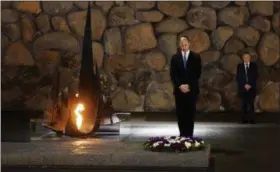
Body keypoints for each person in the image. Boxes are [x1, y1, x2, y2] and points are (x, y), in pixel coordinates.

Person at [170, 36, 202, 137]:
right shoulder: (175, 58)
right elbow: (173, 74)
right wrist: (180, 85)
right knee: (180, 113)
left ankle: (189, 135)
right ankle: (182, 135)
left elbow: (197, 73)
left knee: (190, 113)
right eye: (182, 45)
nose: (184, 47)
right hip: (179, 91)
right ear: (179, 46)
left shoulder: (196, 57)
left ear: (189, 44)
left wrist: (188, 85)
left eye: (185, 45)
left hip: (191, 89)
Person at [236, 53, 259, 124]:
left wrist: (250, 84)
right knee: (244, 104)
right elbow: (238, 77)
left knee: (251, 104)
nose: (246, 58)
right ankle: (244, 120)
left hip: (251, 88)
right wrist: (244, 84)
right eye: (245, 57)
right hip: (243, 88)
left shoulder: (254, 66)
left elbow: (256, 76)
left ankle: (252, 119)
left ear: (250, 58)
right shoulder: (239, 66)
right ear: (243, 58)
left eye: (247, 57)